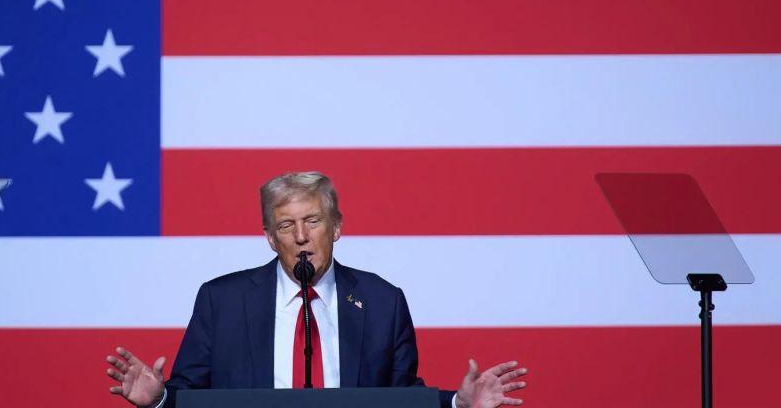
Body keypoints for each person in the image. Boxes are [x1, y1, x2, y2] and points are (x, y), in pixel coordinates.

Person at [105, 171, 528, 408]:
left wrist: (457, 404)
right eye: (286, 225)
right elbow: (191, 398)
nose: (302, 236)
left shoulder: (382, 302)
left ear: (337, 227)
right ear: (271, 238)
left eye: (313, 221)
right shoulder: (223, 301)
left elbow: (401, 400)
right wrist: (159, 400)